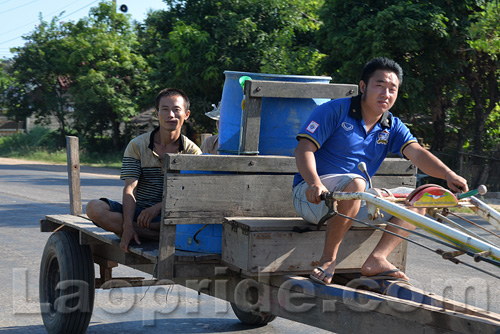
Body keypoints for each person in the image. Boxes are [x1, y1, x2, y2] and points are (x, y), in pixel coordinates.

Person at [293, 57, 468, 284]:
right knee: (357, 183)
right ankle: (328, 260)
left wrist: (448, 174)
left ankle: (377, 259)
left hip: (357, 199)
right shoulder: (334, 111)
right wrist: (314, 183)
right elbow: (303, 149)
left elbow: (417, 153)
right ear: (363, 86)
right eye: (380, 85)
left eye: (392, 89)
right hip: (314, 198)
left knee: (419, 199)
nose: (386, 93)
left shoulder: (391, 125)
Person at [86, 88, 202, 252]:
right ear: (157, 113)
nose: (171, 115)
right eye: (165, 109)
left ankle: (153, 231)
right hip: (138, 215)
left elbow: (191, 193)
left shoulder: (193, 152)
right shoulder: (137, 146)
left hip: (172, 216)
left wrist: (157, 208)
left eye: (176, 110)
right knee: (93, 208)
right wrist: (127, 226)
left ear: (186, 114)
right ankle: (149, 232)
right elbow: (130, 188)